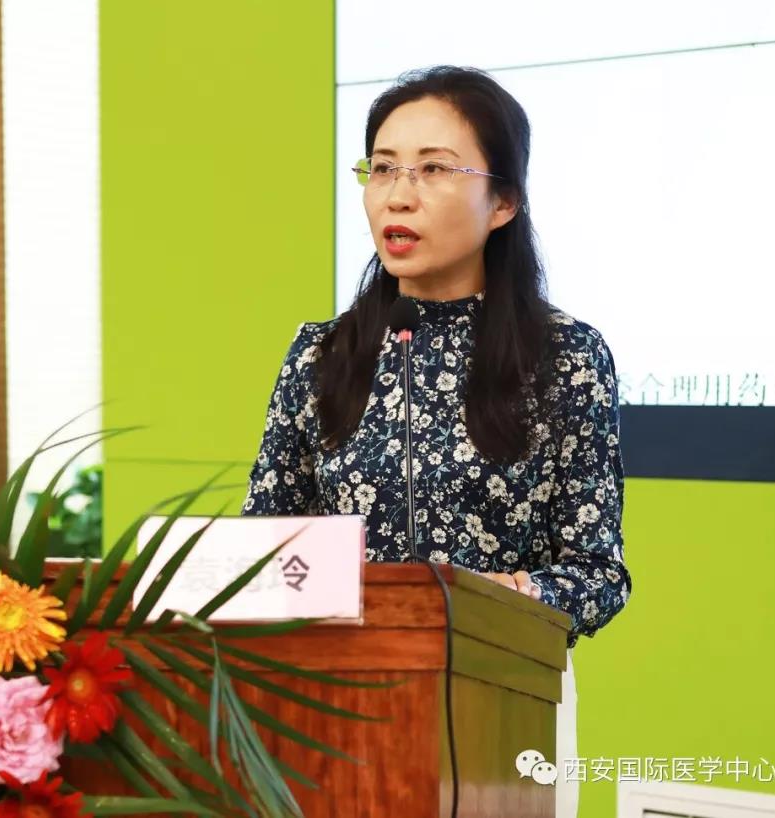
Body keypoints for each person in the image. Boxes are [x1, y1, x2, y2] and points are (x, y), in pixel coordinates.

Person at [241, 65, 632, 817]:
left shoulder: (565, 355)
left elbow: (598, 573)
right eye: (382, 168)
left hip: (504, 705)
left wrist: (512, 599)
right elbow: (266, 549)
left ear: (504, 202)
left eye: (433, 169)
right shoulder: (322, 354)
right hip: (335, 704)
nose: (398, 195)